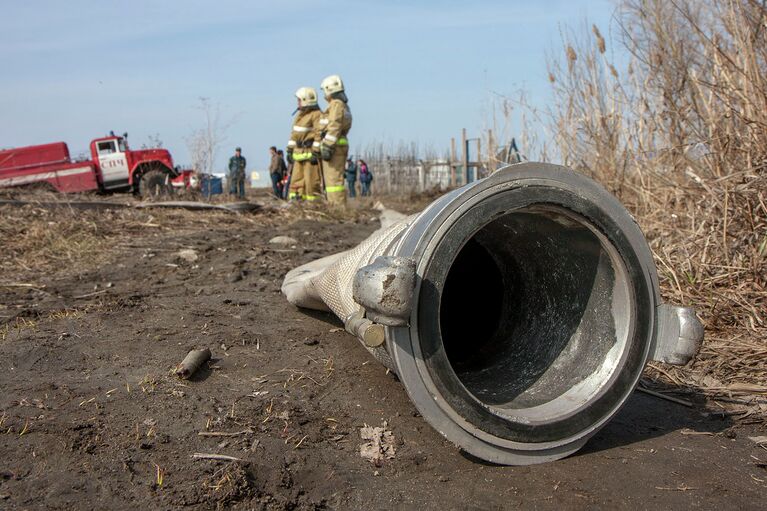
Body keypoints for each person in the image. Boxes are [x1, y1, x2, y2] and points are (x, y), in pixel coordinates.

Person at [319, 74, 352, 207]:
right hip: (339, 145)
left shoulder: (336, 105)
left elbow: (334, 125)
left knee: (333, 181)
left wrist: (327, 145)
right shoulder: (343, 105)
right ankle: (337, 206)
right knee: (335, 180)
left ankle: (337, 208)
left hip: (334, 147)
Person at [287, 87, 323, 201]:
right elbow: (294, 134)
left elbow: (319, 134)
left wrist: (316, 152)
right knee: (296, 183)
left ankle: (314, 206)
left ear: (305, 100)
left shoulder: (316, 114)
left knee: (311, 183)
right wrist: (290, 150)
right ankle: (296, 205)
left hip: (310, 155)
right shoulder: (300, 115)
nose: (298, 102)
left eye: (299, 100)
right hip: (298, 154)